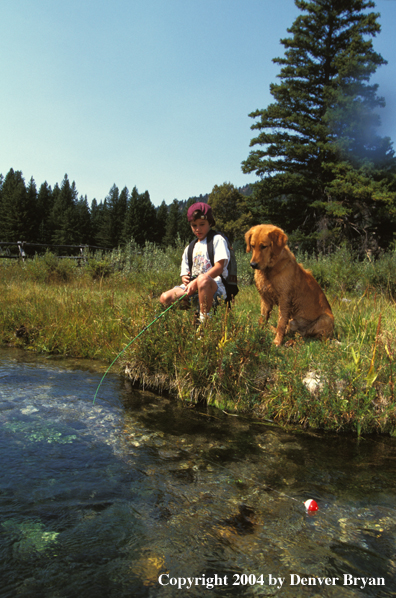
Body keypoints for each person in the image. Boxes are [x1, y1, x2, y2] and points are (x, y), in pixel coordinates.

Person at [160, 202, 230, 324]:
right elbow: (184, 273)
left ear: (210, 223)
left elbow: (219, 267)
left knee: (203, 279)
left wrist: (197, 281)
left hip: (215, 287)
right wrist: (185, 278)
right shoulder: (190, 248)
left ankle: (204, 323)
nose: (198, 229)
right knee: (165, 298)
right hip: (193, 288)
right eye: (194, 225)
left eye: (202, 224)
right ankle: (189, 319)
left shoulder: (217, 240)